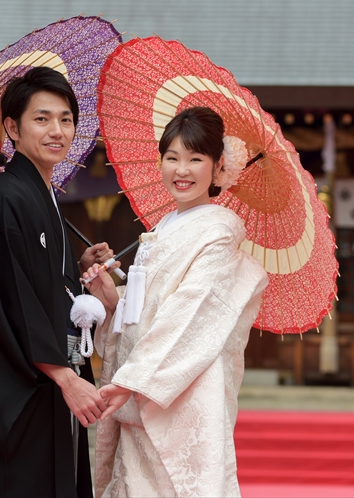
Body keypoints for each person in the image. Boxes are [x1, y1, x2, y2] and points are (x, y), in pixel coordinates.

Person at [0, 67, 117, 498]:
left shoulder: (43, 196)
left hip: (51, 391)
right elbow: (5, 303)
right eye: (42, 119)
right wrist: (65, 377)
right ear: (11, 128)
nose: (57, 131)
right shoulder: (2, 199)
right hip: (18, 396)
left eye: (66, 119)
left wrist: (74, 272)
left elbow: (36, 284)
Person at [83, 107, 269, 497]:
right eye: (172, 158)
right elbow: (144, 312)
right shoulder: (163, 227)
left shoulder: (218, 233)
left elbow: (191, 312)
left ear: (219, 168)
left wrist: (132, 379)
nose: (181, 170)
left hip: (180, 395)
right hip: (138, 388)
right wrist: (112, 300)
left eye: (195, 159)